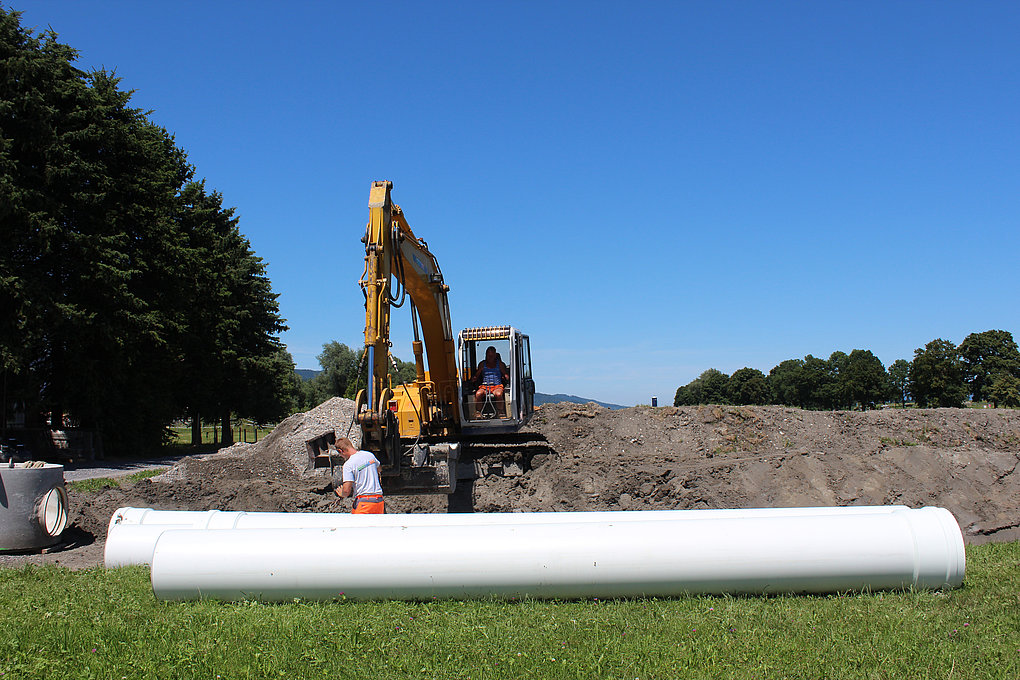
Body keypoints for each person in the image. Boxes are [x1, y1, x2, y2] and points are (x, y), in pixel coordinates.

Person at [333, 437, 384, 514]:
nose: (342, 457)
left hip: (364, 503)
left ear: (341, 451)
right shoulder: (369, 455)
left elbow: (346, 490)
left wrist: (342, 494)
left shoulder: (348, 465)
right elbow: (379, 468)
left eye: (340, 454)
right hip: (379, 501)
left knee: (357, 526)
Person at [472, 345, 509, 417]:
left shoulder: (500, 364)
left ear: (495, 355)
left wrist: (507, 377)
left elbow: (505, 374)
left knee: (498, 394)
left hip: (497, 385)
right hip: (485, 386)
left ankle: (500, 411)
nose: (490, 358)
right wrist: (475, 377)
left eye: (492, 356)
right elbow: (476, 375)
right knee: (478, 394)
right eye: (488, 355)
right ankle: (478, 412)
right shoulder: (482, 364)